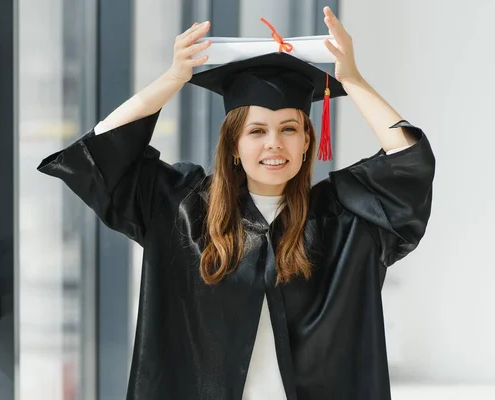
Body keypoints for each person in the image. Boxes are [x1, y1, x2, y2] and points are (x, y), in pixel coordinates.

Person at [38, 6, 435, 400]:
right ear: (233, 146)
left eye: (289, 129)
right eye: (257, 131)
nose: (274, 143)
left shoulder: (345, 219)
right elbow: (103, 154)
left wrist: (354, 80)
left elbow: (408, 166)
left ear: (307, 142)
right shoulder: (183, 210)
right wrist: (172, 78)